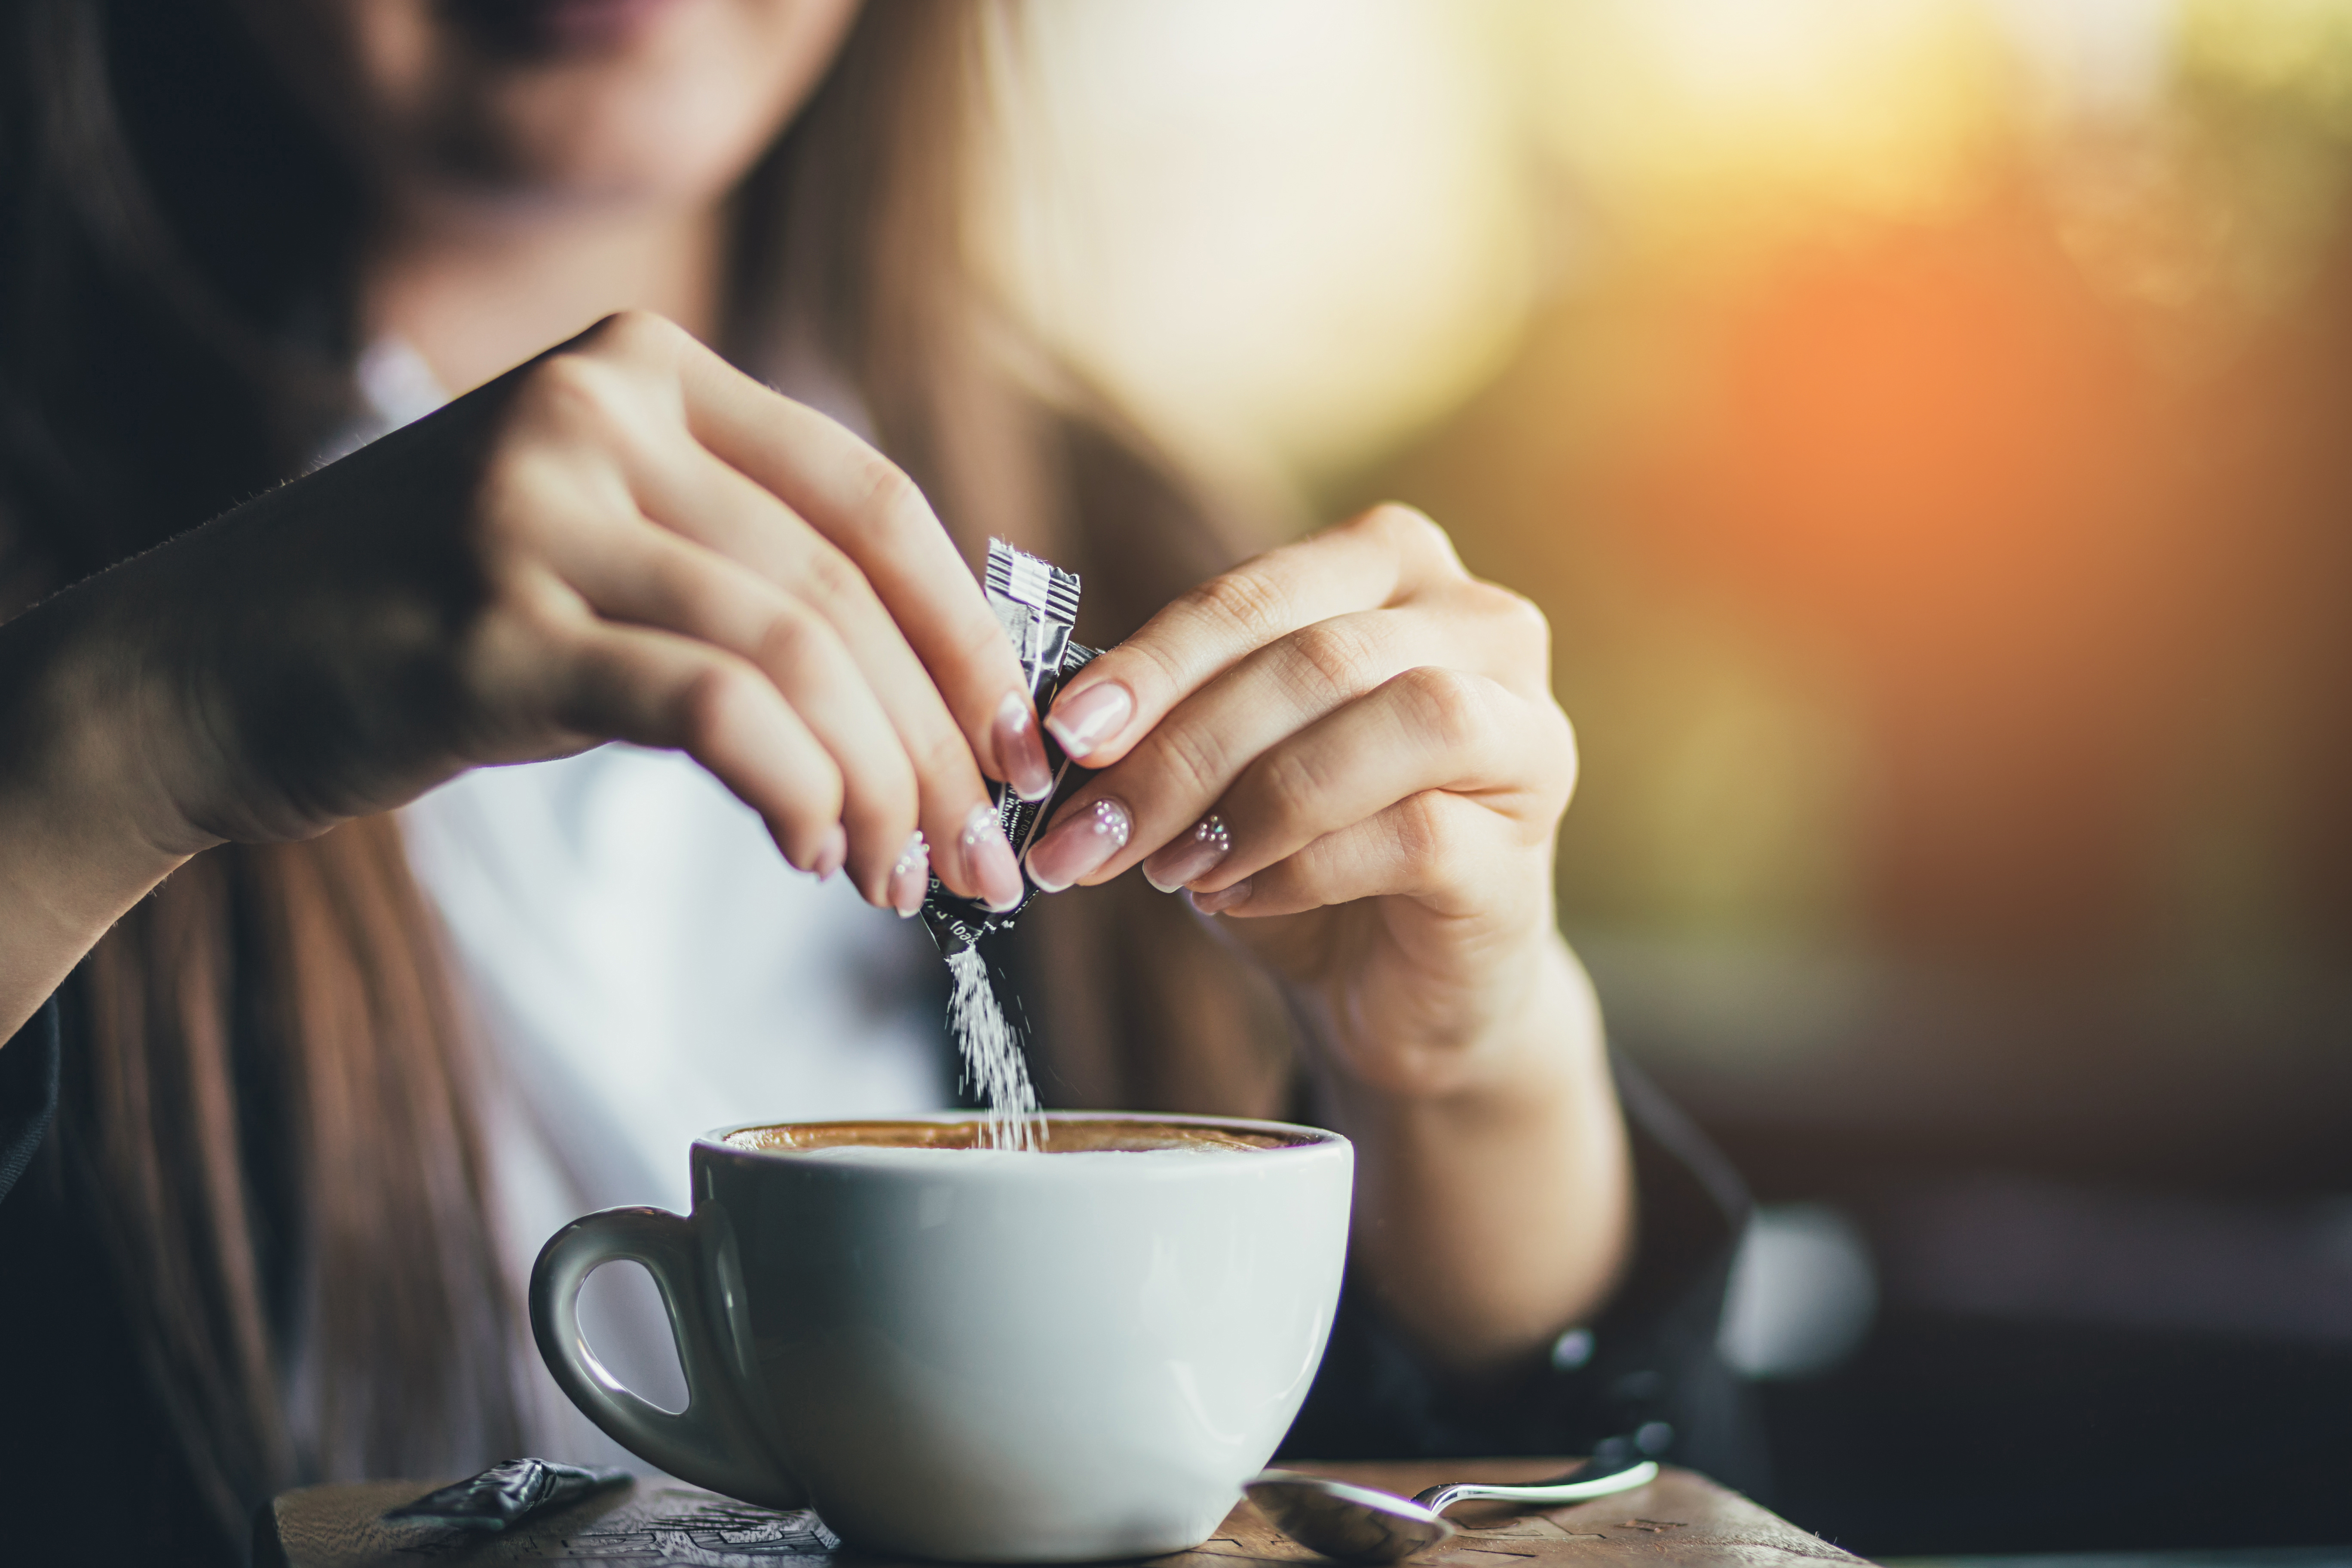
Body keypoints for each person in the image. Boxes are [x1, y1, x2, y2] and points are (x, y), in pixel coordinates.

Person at [0, 1, 1753, 1559]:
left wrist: (1472, 1077)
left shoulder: (1150, 562)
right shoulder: (79, 644)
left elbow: (1584, 1505)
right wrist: (123, 730)